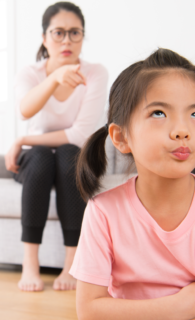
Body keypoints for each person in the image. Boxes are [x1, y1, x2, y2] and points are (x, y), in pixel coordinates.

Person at [70, 48, 195, 319]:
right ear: (121, 137)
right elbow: (89, 310)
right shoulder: (104, 211)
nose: (183, 130)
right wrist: (178, 308)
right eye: (160, 113)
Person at [4, 1, 108, 292]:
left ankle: (72, 264)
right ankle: (30, 263)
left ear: (83, 37)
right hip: (35, 160)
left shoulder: (95, 73)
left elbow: (79, 134)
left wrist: (22, 139)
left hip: (72, 156)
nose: (66, 41)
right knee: (40, 159)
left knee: (67, 155)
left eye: (75, 33)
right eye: (58, 32)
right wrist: (54, 78)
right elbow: (24, 110)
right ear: (44, 37)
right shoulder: (30, 73)